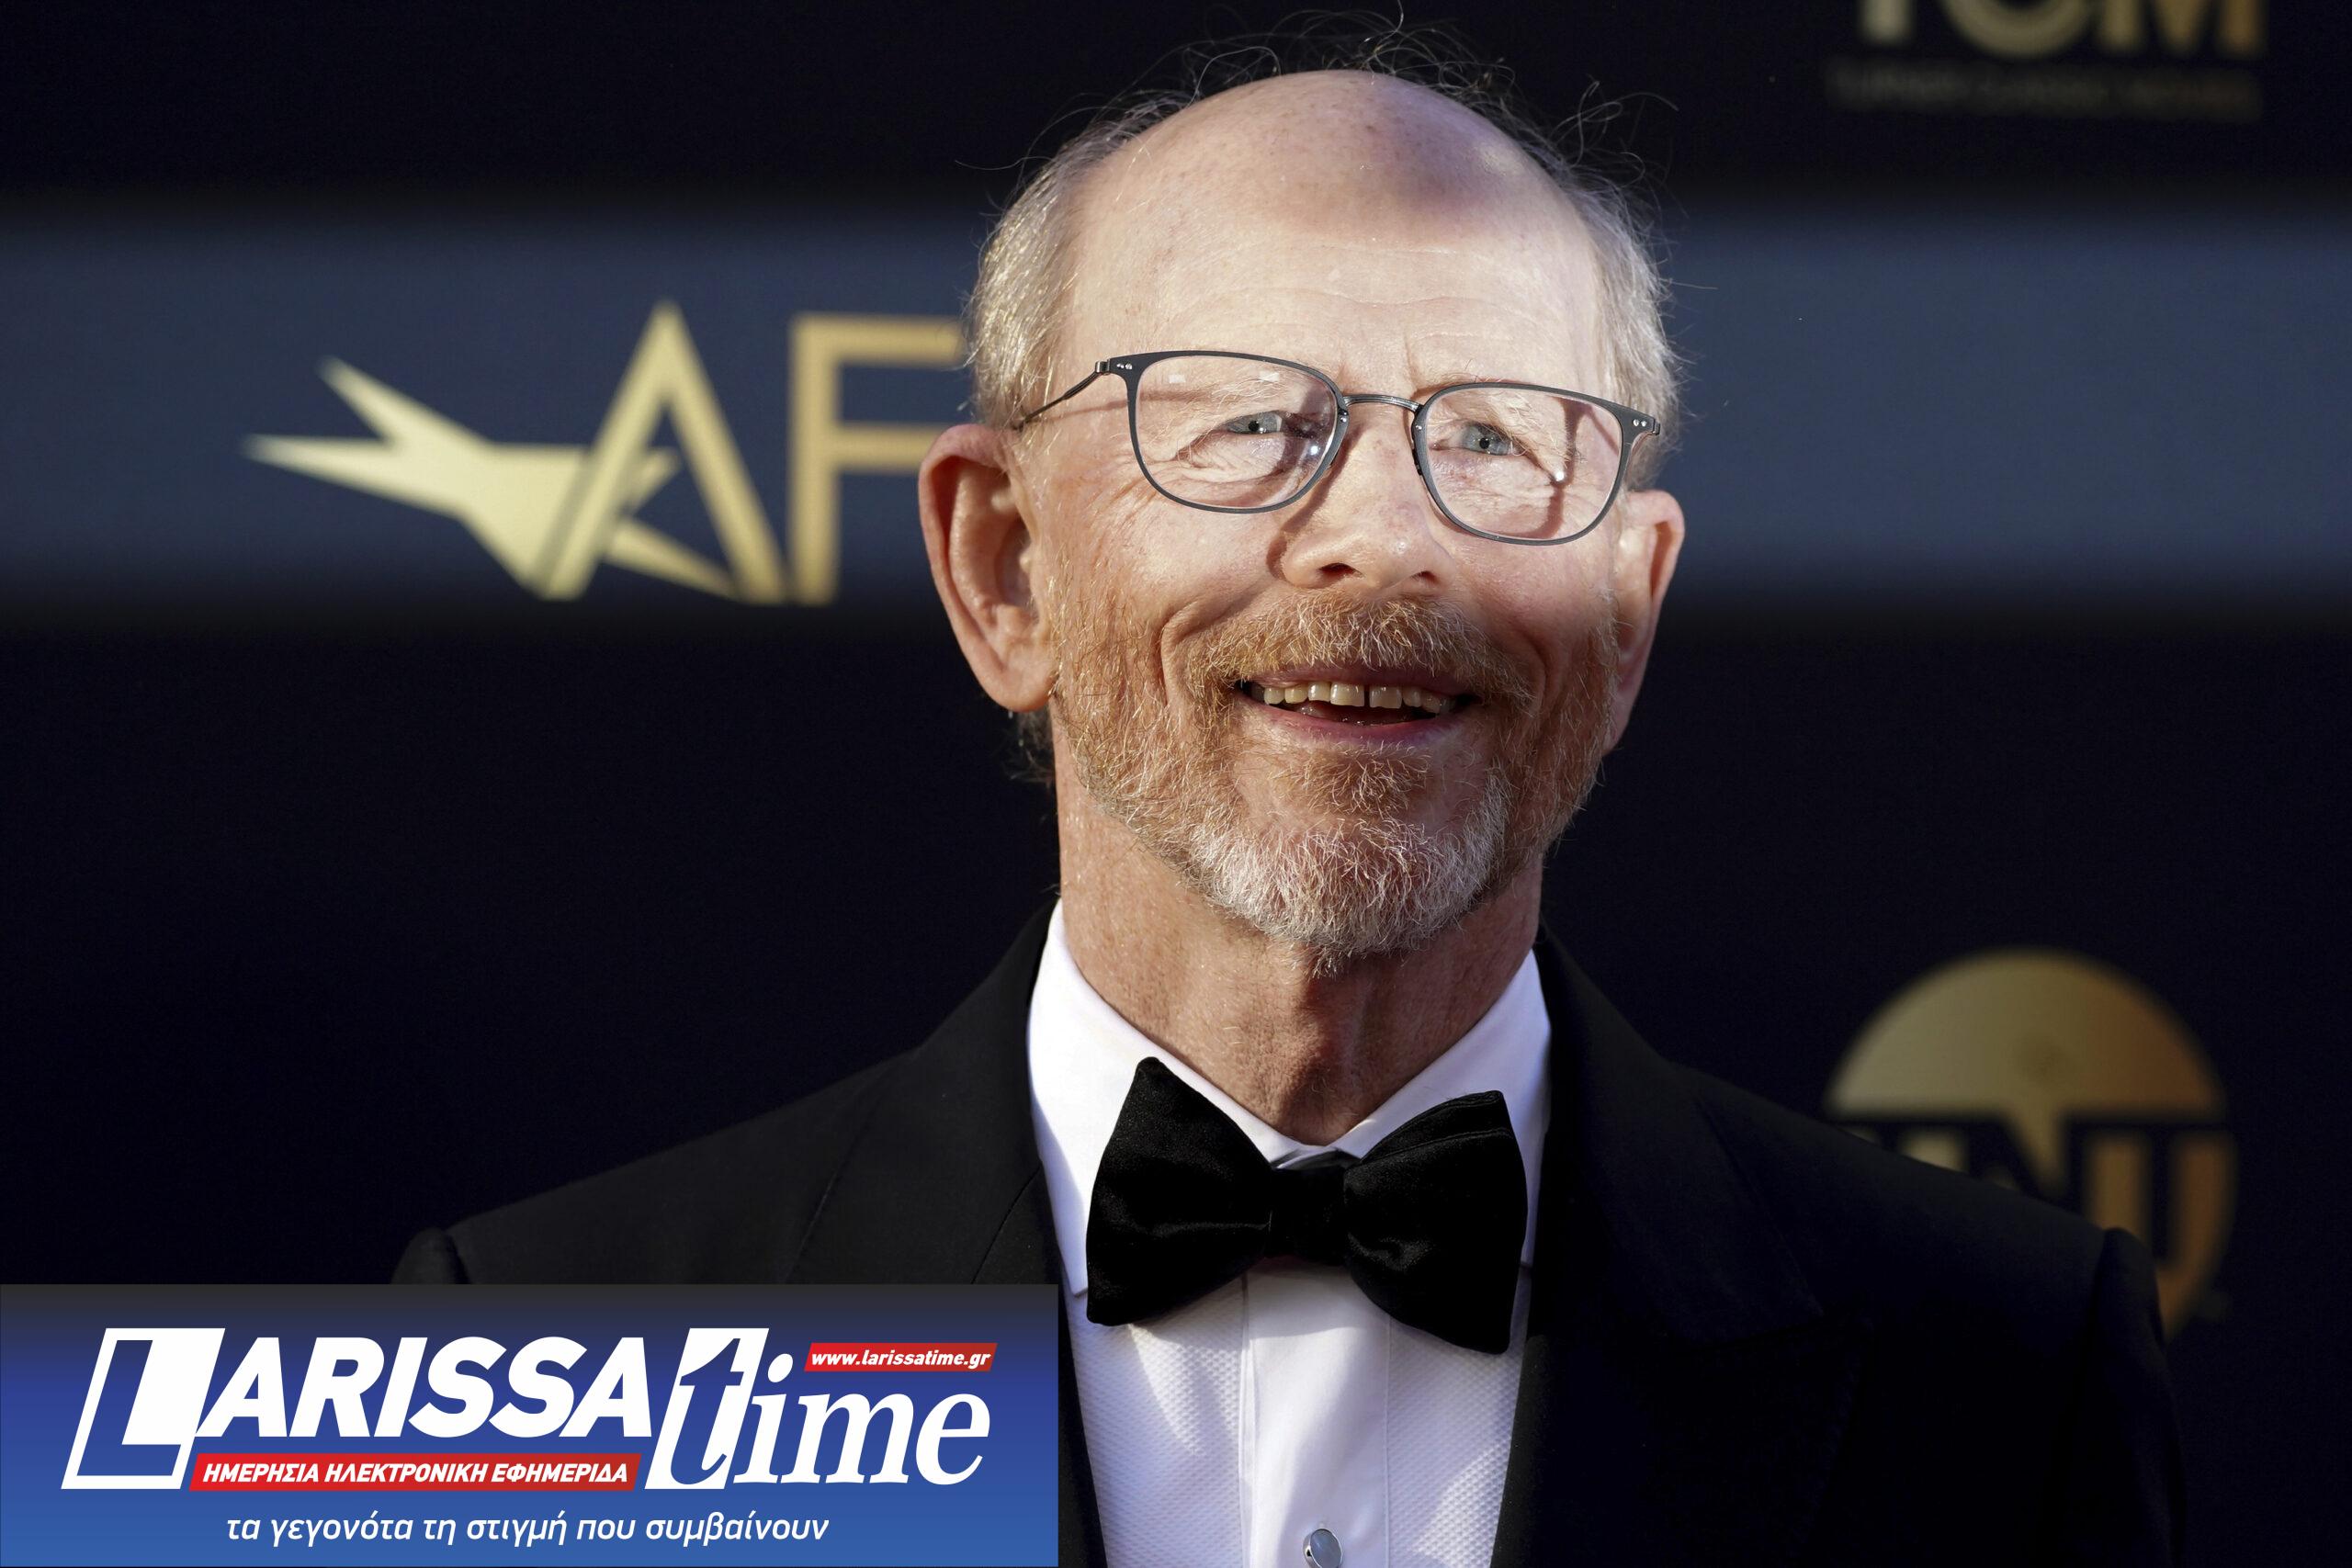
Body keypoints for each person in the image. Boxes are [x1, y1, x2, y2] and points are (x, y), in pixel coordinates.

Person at [397, 43, 2185, 1568]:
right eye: (1247, 423)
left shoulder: (2005, 1371)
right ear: (1004, 568)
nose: (1383, 537)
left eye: (1493, 437)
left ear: (1626, 615)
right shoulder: (547, 1366)